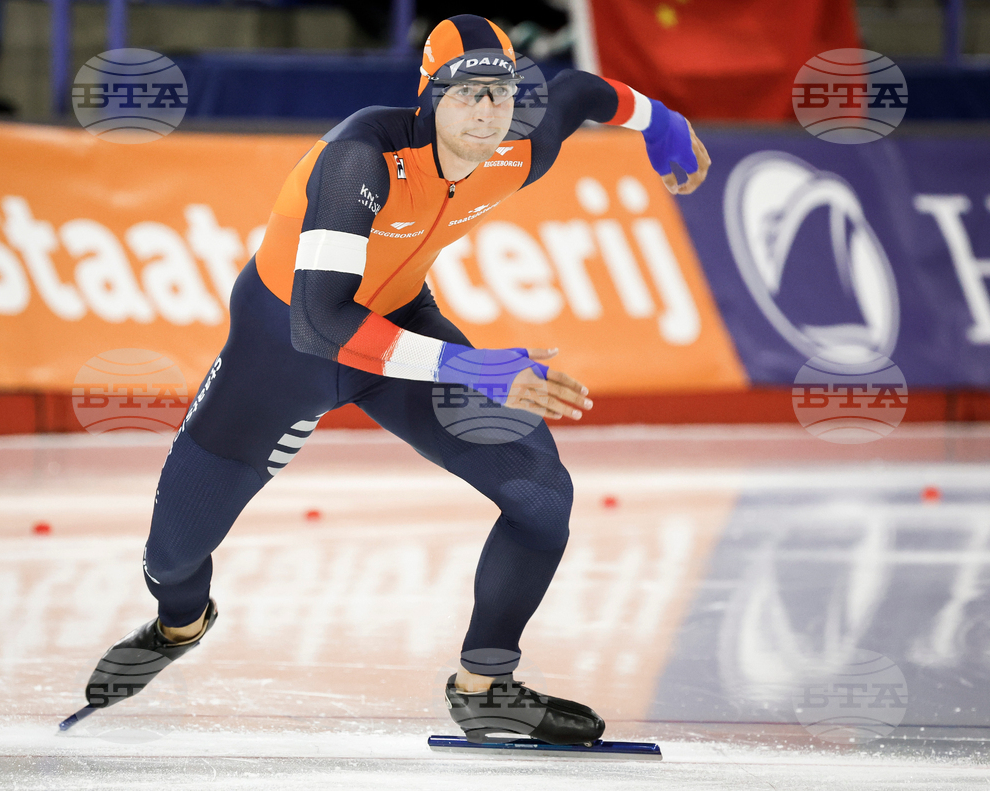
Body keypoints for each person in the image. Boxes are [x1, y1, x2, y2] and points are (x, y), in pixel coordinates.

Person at [77, 14, 710, 745]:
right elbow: (320, 322)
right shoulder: (362, 156)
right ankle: (179, 624)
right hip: (282, 352)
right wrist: (470, 365)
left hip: (400, 329)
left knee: (540, 497)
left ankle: (485, 689)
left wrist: (660, 121)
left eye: (500, 92)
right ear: (429, 94)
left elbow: (579, 92)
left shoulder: (515, 151)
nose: (486, 111)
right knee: (171, 558)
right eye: (465, 92)